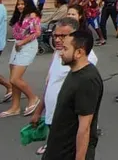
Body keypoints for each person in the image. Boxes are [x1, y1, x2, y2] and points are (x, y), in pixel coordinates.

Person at [29, 18, 99, 156]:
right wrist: (39, 111)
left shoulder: (86, 74)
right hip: (55, 118)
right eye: (55, 35)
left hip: (69, 128)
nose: (58, 40)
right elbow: (50, 84)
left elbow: (84, 128)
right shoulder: (61, 54)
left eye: (63, 36)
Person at [42, 29, 104, 159]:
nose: (60, 53)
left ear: (79, 52)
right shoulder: (74, 71)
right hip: (58, 149)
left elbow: (84, 128)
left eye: (65, 49)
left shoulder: (87, 80)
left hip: (68, 153)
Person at [0, 0, 42, 118]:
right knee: (13, 77)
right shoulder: (20, 16)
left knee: (15, 79)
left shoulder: (33, 15)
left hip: (27, 46)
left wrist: (23, 42)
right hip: (17, 45)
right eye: (19, 4)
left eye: (23, 4)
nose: (20, 6)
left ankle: (33, 98)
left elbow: (37, 32)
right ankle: (15, 107)